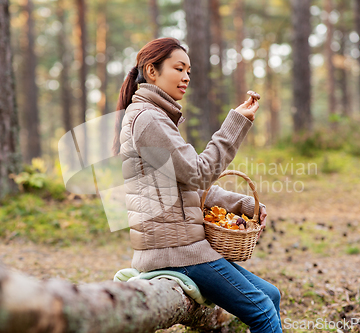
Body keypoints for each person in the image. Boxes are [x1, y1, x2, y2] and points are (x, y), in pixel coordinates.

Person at [111, 37, 282, 333]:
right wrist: (236, 124)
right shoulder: (149, 119)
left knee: (271, 295)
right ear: (152, 71)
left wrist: (242, 204)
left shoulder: (156, 116)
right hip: (176, 250)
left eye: (189, 70)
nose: (186, 77)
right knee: (262, 310)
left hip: (182, 246)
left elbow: (186, 185)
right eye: (179, 68)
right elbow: (198, 174)